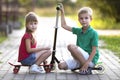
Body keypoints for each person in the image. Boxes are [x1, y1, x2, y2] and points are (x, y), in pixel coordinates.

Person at [58, 4, 99, 75]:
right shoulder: (78, 30)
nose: (84, 20)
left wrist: (87, 63)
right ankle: (81, 66)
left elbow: (94, 51)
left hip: (90, 60)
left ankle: (86, 68)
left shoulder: (94, 33)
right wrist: (62, 12)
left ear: (91, 19)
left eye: (86, 18)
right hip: (80, 58)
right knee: (60, 66)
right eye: (81, 18)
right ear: (78, 20)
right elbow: (64, 25)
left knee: (70, 46)